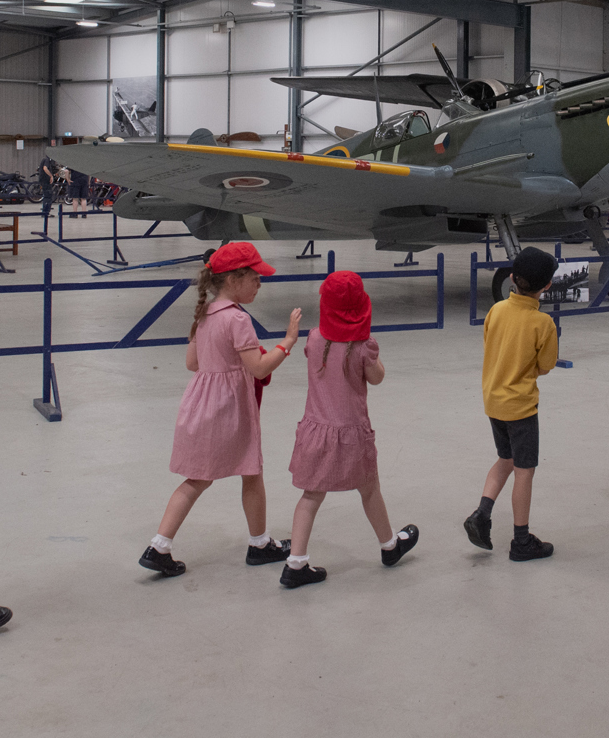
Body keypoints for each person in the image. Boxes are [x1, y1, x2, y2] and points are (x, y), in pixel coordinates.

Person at [138, 242, 301, 577]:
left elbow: (192, 363)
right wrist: (288, 342)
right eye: (255, 277)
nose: (259, 283)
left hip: (200, 404)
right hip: (231, 408)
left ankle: (159, 545)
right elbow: (258, 368)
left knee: (196, 478)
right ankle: (259, 544)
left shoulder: (205, 314)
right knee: (251, 471)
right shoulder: (238, 319)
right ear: (234, 280)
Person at [281, 271, 418, 588]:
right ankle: (389, 546)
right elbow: (377, 377)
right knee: (369, 489)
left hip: (316, 432)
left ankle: (296, 562)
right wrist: (372, 352)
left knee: (311, 495)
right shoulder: (362, 346)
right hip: (352, 433)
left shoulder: (314, 339)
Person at [463, 246, 559, 561]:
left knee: (505, 459)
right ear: (547, 286)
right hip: (520, 407)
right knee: (524, 471)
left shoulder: (497, 310)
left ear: (513, 279)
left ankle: (481, 514)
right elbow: (546, 365)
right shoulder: (542, 323)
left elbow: (490, 344)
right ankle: (521, 540)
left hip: (493, 401)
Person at [38, 154, 56, 218]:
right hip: (46, 181)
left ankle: (45, 212)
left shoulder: (45, 160)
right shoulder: (47, 160)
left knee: (46, 196)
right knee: (48, 197)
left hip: (43, 181)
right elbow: (45, 168)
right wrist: (51, 176)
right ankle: (46, 212)